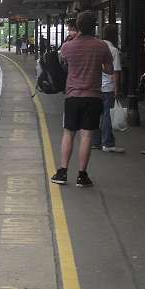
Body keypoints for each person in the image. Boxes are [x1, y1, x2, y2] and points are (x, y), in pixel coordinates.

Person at [50, 11, 113, 188]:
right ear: (94, 26)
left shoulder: (67, 46)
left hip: (72, 96)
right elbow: (109, 70)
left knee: (68, 133)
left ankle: (62, 172)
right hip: (93, 97)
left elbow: (63, 64)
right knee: (87, 136)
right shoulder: (101, 46)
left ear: (78, 26)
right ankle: (82, 175)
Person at [93, 24, 124, 154]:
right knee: (107, 115)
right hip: (108, 87)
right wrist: (117, 89)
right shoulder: (113, 50)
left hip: (95, 86)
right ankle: (108, 143)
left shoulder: (96, 47)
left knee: (96, 115)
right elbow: (115, 71)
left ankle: (96, 141)